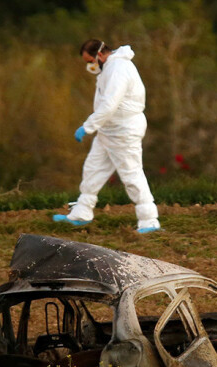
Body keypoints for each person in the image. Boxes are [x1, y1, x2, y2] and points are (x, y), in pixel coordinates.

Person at [52, 39, 161, 234]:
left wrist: (88, 126)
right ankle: (82, 212)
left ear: (100, 55)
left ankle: (149, 219)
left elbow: (110, 104)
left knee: (131, 173)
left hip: (123, 131)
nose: (90, 65)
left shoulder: (118, 69)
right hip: (108, 131)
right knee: (93, 169)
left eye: (90, 61)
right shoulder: (109, 68)